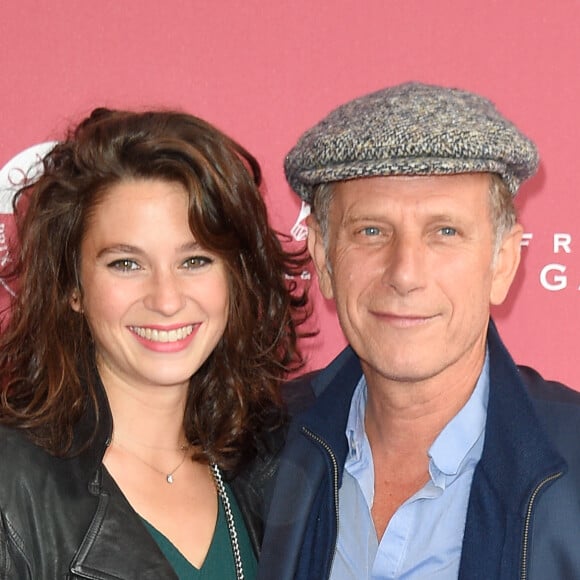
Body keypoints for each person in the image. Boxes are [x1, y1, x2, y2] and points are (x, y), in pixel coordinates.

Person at [258, 82, 580, 580]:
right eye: (371, 231)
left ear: (503, 261)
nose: (405, 273)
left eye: (444, 232)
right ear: (323, 258)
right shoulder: (261, 443)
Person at [0, 107, 309, 579]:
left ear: (236, 279)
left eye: (195, 261)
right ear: (72, 288)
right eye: (126, 263)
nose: (166, 300)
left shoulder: (274, 465)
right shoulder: (12, 486)